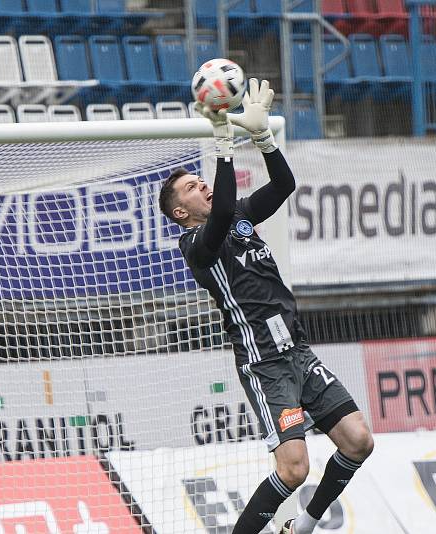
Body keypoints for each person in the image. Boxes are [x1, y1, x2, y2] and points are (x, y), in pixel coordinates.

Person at [158, 79, 373, 534]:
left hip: (298, 351)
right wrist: (223, 146)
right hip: (264, 362)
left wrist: (263, 139)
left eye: (203, 182)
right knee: (293, 468)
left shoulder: (237, 217)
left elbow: (284, 184)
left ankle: (305, 525)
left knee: (358, 440)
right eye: (195, 188)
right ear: (182, 211)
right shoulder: (195, 243)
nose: (204, 189)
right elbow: (217, 220)